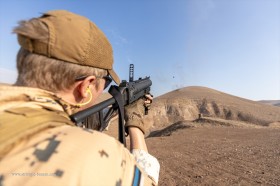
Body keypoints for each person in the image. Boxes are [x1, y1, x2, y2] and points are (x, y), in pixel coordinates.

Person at [0, 10, 160, 185]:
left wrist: (123, 105)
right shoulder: (96, 154)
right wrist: (135, 122)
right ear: (86, 87)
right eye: (105, 83)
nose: (104, 89)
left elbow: (91, 116)